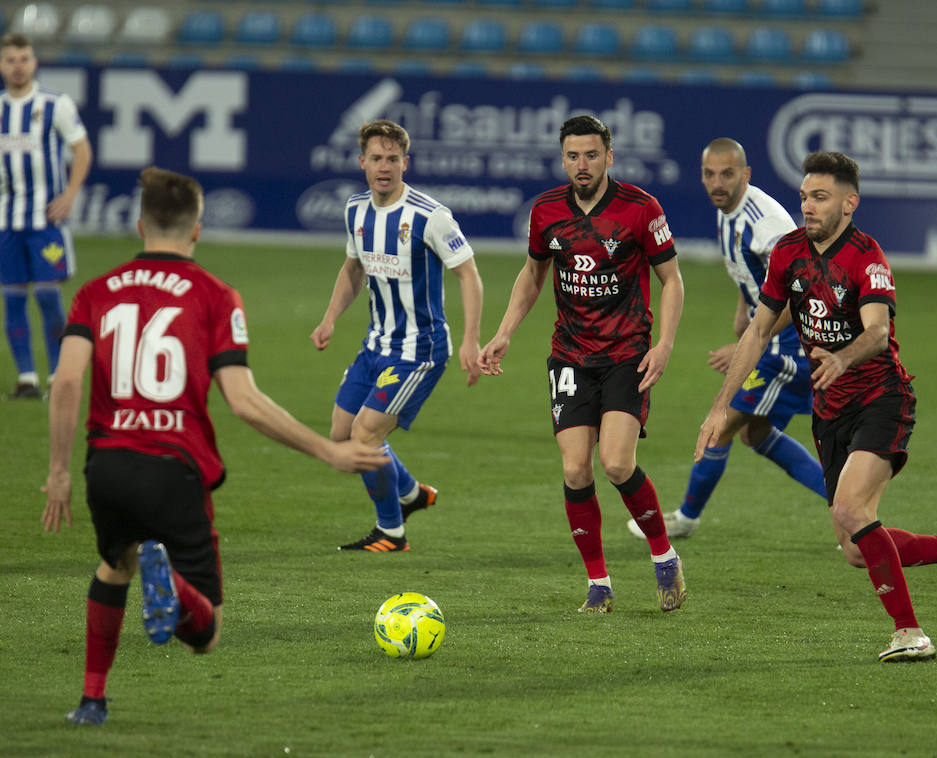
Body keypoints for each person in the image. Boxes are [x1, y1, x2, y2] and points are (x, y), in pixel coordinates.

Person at [42, 167, 388, 726]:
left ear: (138, 224)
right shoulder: (213, 295)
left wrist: (59, 472)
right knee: (204, 636)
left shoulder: (94, 292)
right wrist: (328, 451)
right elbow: (245, 401)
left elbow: (65, 382)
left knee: (113, 566)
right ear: (197, 229)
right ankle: (171, 582)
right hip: (174, 470)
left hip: (105, 465)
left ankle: (92, 699)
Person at [696, 151, 937, 662]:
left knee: (849, 508)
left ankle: (910, 633)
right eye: (804, 197)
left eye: (820, 198)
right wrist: (720, 407)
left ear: (849, 203)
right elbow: (757, 333)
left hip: (882, 397)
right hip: (829, 408)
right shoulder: (788, 254)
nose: (807, 207)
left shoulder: (867, 258)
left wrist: (842, 356)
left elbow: (878, 332)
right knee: (857, 549)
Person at [478, 115, 686, 613]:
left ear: (609, 156)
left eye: (591, 155)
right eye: (573, 156)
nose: (582, 164)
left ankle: (664, 556)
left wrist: (665, 344)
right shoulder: (547, 210)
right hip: (570, 354)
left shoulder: (640, 209)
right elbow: (532, 275)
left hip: (626, 353)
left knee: (616, 462)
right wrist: (504, 332)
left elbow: (672, 280)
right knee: (575, 470)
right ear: (563, 157)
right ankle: (599, 583)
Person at [627, 137, 824, 542]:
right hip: (771, 335)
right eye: (709, 174)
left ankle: (686, 518)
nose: (717, 183)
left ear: (745, 175)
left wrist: (753, 339)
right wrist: (743, 310)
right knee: (755, 433)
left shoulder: (764, 223)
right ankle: (846, 503)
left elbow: (801, 288)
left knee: (719, 427)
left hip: (789, 343)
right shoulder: (727, 210)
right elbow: (751, 270)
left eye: (727, 174)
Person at [310, 120, 484, 554]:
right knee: (341, 434)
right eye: (376, 158)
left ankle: (391, 532)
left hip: (418, 350)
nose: (383, 167)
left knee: (366, 436)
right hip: (376, 345)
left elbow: (469, 275)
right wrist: (330, 317)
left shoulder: (430, 216)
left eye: (392, 159)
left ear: (405, 163)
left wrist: (470, 340)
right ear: (361, 162)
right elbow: (353, 267)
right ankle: (409, 492)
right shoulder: (355, 210)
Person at [0, 33, 92, 399]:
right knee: (12, 298)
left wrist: (70, 194)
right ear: (0, 66)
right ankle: (27, 377)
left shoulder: (55, 104)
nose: (18, 66)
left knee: (46, 295)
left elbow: (82, 149)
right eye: (10, 60)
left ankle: (58, 375)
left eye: (24, 58)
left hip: (46, 224)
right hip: (7, 223)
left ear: (34, 63)